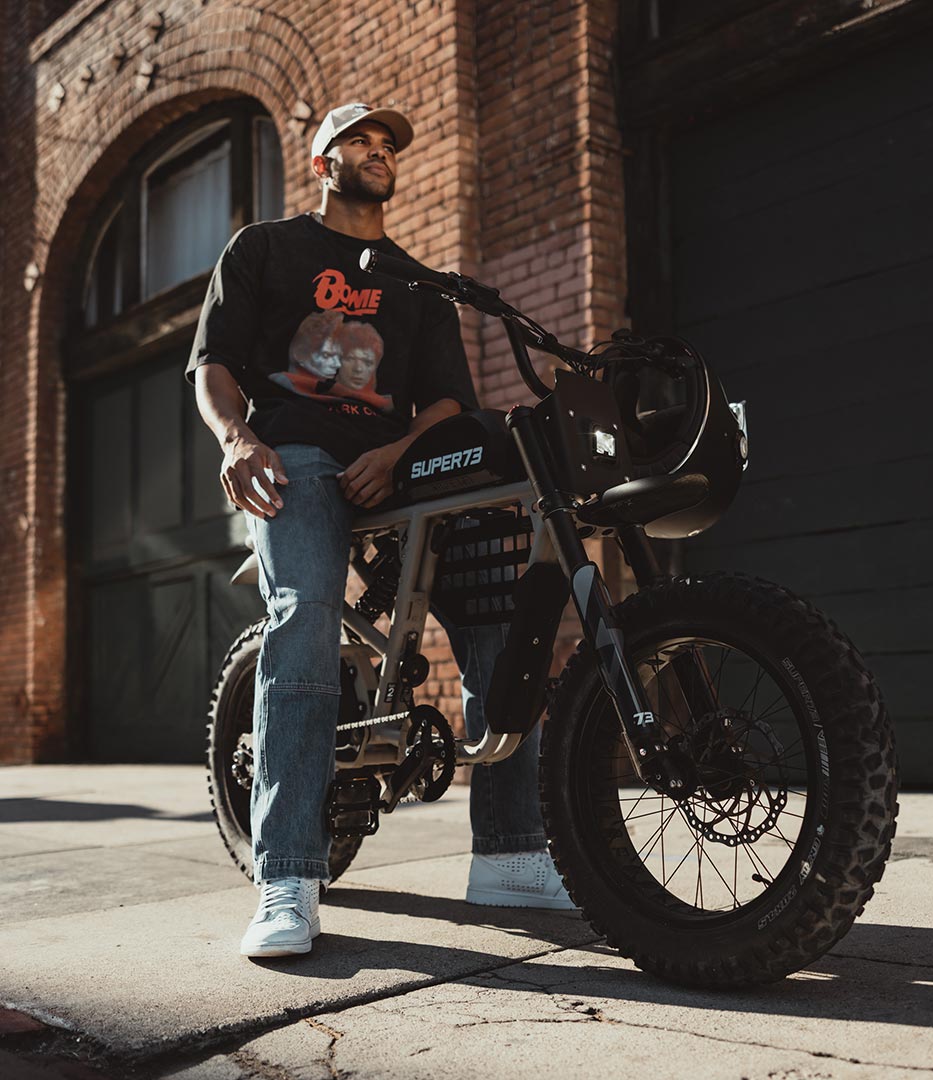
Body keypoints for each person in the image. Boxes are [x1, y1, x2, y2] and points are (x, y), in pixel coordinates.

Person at [187, 102, 574, 959]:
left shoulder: (420, 283)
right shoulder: (265, 249)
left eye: (388, 143)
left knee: (498, 614)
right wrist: (239, 438)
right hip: (297, 459)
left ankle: (511, 854)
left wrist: (401, 450)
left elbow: (445, 401)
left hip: (398, 465)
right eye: (359, 141)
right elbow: (213, 364)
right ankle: (287, 871)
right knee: (308, 612)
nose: (378, 152)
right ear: (323, 161)